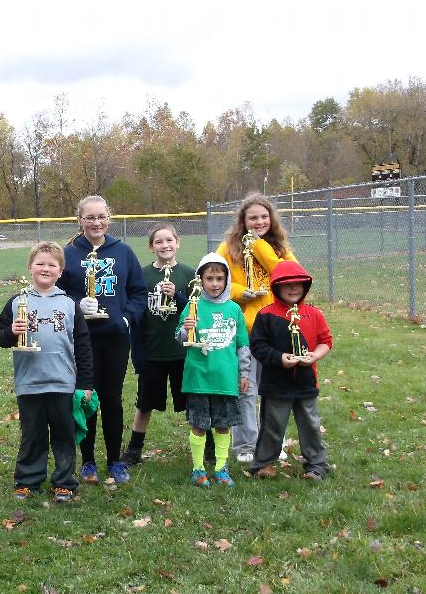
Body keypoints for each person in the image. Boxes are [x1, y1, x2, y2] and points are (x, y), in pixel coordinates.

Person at [0, 242, 94, 503]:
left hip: (63, 383)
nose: (45, 268)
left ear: (60, 271)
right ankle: (28, 480)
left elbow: (82, 346)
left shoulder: (70, 304)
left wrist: (85, 383)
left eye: (52, 264)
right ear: (30, 267)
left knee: (63, 435)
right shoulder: (17, 302)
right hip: (30, 383)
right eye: (40, 263)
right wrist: (11, 333)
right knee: (33, 435)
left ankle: (64, 481)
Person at [57, 195, 147, 485]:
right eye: (90, 218)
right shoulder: (68, 253)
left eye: (101, 217)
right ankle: (88, 461)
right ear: (79, 220)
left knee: (111, 399)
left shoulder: (123, 252)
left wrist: (124, 318)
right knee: (85, 396)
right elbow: (55, 291)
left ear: (109, 218)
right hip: (81, 339)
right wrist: (76, 304)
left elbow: (138, 294)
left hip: (115, 339)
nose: (96, 223)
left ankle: (114, 460)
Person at [216, 193, 297, 464]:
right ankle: (246, 445)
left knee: (272, 388)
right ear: (243, 220)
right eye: (253, 217)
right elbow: (214, 277)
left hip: (274, 329)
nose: (259, 221)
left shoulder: (279, 247)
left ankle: (272, 441)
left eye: (264, 216)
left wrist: (261, 247)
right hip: (243, 329)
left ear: (271, 219)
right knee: (245, 388)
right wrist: (240, 292)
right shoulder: (229, 247)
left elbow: (291, 275)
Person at [249, 261, 333, 481]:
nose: (294, 288)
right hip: (276, 383)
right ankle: (264, 464)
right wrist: (278, 358)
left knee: (311, 424)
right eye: (287, 285)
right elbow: (257, 346)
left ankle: (317, 465)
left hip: (306, 381)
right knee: (273, 424)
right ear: (276, 287)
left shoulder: (313, 314)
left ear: (305, 286)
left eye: (298, 284)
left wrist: (314, 355)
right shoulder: (266, 315)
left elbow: (325, 341)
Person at [122, 222, 196, 466]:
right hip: (153, 351)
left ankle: (202, 446)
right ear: (151, 246)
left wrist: (177, 294)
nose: (164, 245)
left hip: (181, 353)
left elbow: (195, 312)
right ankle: (134, 448)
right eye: (158, 242)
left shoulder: (188, 274)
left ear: (178, 242)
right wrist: (138, 354)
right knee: (145, 403)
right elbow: (136, 317)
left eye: (169, 240)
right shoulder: (143, 275)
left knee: (190, 403)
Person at [176, 253, 251, 487]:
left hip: (225, 379)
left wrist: (244, 374)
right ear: (200, 280)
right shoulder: (193, 305)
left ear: (227, 279)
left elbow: (242, 345)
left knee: (223, 424)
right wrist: (185, 328)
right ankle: (198, 469)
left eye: (220, 278)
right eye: (209, 278)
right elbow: (180, 338)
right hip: (198, 377)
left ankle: (221, 467)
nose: (215, 283)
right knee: (199, 424)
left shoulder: (234, 309)